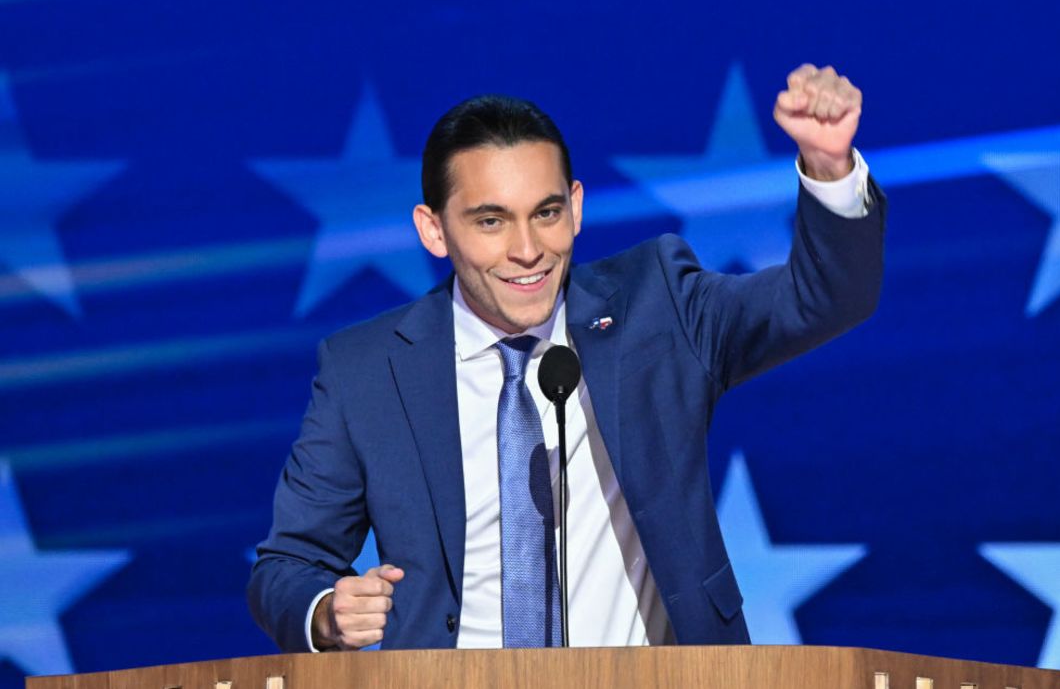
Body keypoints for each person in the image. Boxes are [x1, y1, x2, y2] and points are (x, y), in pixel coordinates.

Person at [248, 63, 885, 652]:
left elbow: (823, 299)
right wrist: (326, 611)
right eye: (491, 222)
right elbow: (285, 566)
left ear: (576, 207)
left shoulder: (657, 305)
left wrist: (829, 169)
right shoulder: (365, 370)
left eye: (546, 213)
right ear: (434, 230)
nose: (528, 249)